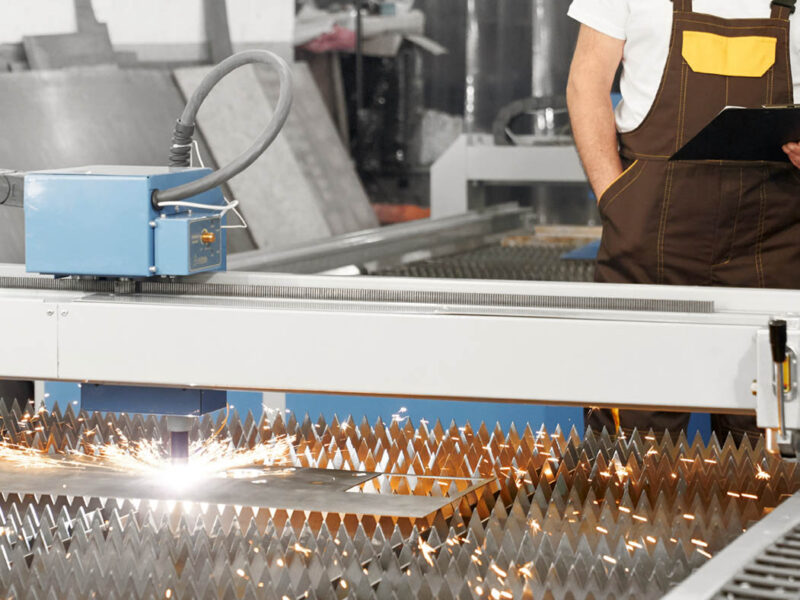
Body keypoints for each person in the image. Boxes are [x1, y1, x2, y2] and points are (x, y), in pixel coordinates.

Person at [566, 0, 800, 442]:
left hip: (773, 251)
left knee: (770, 453)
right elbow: (586, 82)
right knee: (631, 456)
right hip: (648, 244)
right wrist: (616, 197)